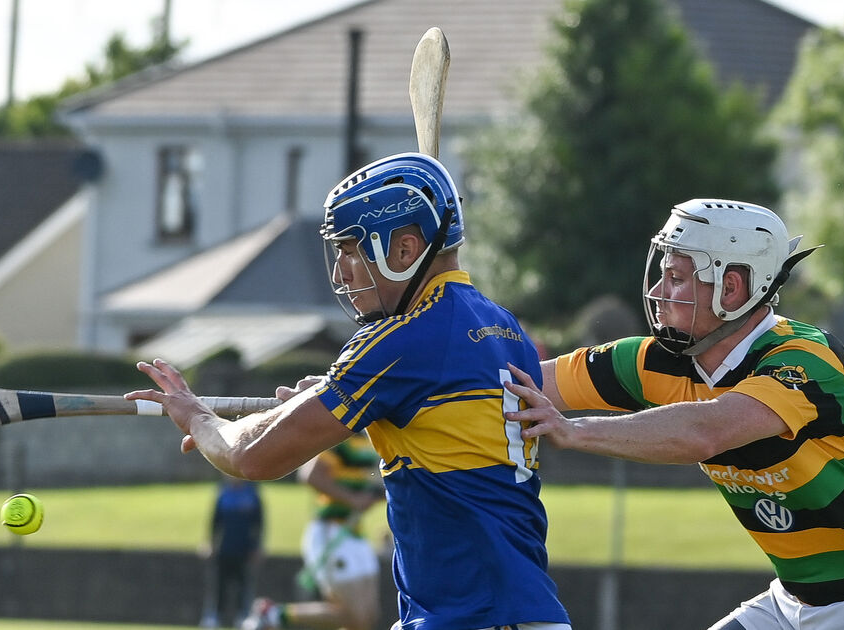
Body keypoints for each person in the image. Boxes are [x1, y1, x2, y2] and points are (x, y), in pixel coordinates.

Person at [127, 152, 571, 630]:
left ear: (404, 250)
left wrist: (198, 418)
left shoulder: (400, 341)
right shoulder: (505, 329)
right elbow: (437, 419)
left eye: (350, 250)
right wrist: (333, 397)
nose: (341, 273)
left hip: (473, 617)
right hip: (520, 611)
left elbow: (252, 457)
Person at [502, 199, 844, 629]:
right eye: (662, 274)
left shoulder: (806, 359)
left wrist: (574, 431)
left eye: (677, 277)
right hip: (794, 603)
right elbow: (515, 382)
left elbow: (706, 430)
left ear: (731, 287)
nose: (659, 291)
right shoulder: (651, 361)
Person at [248, 431, 385, 630]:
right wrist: (352, 499)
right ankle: (274, 614)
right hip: (332, 533)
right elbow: (310, 475)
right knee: (356, 616)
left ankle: (273, 615)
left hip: (355, 534)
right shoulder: (341, 436)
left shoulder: (369, 438)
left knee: (369, 617)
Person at [201, 475, 265, 629]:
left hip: (244, 549)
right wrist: (210, 543)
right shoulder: (222, 493)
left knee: (244, 585)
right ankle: (215, 616)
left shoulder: (252, 494)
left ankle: (243, 616)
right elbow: (215, 522)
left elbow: (259, 523)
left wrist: (257, 547)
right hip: (224, 548)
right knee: (219, 585)